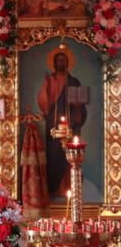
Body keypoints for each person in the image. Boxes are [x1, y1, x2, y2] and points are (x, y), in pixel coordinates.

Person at [37, 49, 87, 196]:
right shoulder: (50, 80)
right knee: (53, 157)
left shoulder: (74, 82)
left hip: (71, 126)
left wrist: (78, 106)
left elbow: (81, 106)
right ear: (54, 63)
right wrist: (47, 88)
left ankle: (69, 188)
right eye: (58, 60)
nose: (61, 63)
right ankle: (53, 189)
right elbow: (43, 103)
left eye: (63, 60)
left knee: (70, 157)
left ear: (67, 63)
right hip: (53, 126)